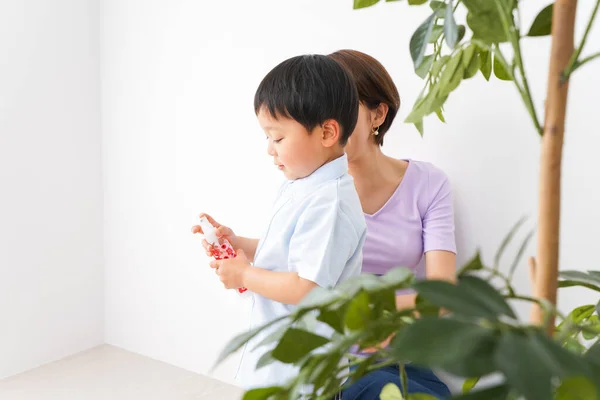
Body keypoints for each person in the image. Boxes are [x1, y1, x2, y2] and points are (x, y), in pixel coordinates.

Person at [191, 54, 367, 394]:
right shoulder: (302, 185)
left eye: (278, 138)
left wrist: (244, 275)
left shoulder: (330, 204)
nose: (270, 150)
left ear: (327, 132)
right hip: (278, 361)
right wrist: (239, 243)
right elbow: (288, 252)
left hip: (304, 372)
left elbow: (307, 288)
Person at [328, 49, 456, 399]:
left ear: (377, 114)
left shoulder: (429, 184)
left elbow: (444, 291)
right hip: (333, 349)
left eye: (339, 110)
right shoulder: (316, 188)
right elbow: (292, 263)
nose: (327, 127)